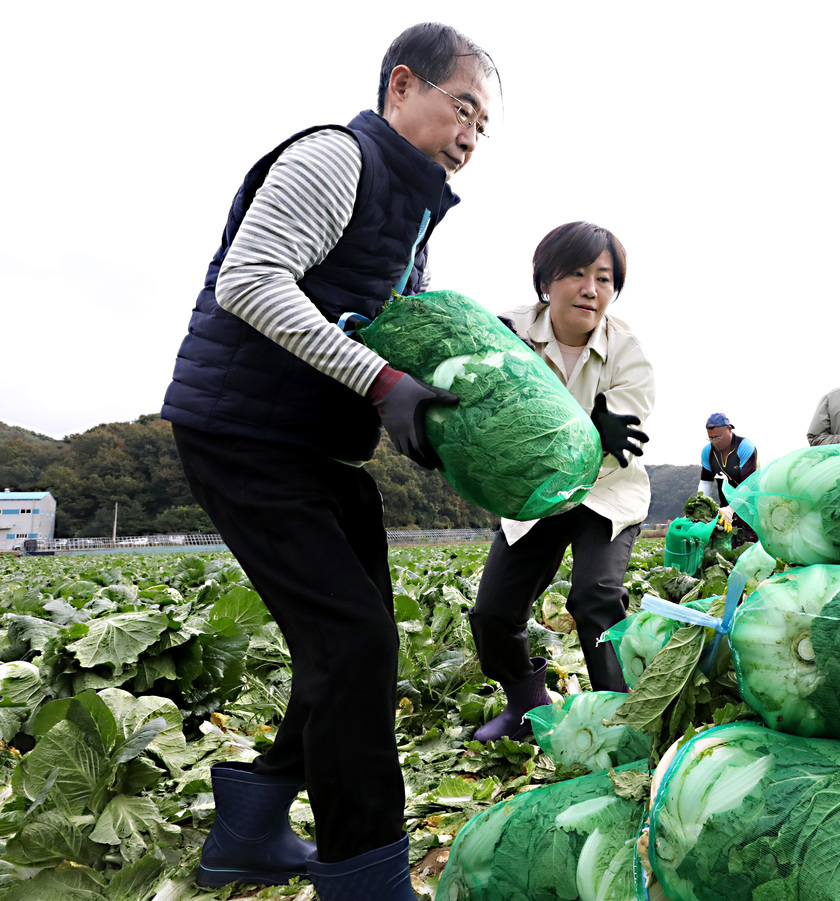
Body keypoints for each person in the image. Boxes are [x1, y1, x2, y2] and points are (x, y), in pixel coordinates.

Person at [160, 24, 497, 898]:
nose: (469, 136)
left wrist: (441, 403)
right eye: (462, 108)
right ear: (400, 87)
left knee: (350, 642)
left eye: (483, 127)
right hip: (243, 433)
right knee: (354, 643)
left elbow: (382, 325)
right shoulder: (334, 157)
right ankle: (364, 870)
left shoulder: (415, 208)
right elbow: (253, 279)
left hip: (318, 447)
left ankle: (252, 822)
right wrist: (383, 380)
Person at [469, 222, 652, 742]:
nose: (591, 289)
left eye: (604, 277)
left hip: (604, 487)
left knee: (594, 597)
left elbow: (627, 428)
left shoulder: (628, 350)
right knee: (492, 613)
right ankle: (527, 705)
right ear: (546, 280)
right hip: (536, 491)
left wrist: (605, 429)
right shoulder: (507, 330)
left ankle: (621, 724)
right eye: (576, 273)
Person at [697, 413, 759, 545]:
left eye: (717, 437)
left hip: (752, 505)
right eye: (711, 438)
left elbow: (748, 485)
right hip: (726, 506)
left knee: (750, 544)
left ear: (729, 430)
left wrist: (731, 509)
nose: (714, 442)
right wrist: (700, 508)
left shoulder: (745, 447)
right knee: (730, 547)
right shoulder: (708, 452)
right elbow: (706, 482)